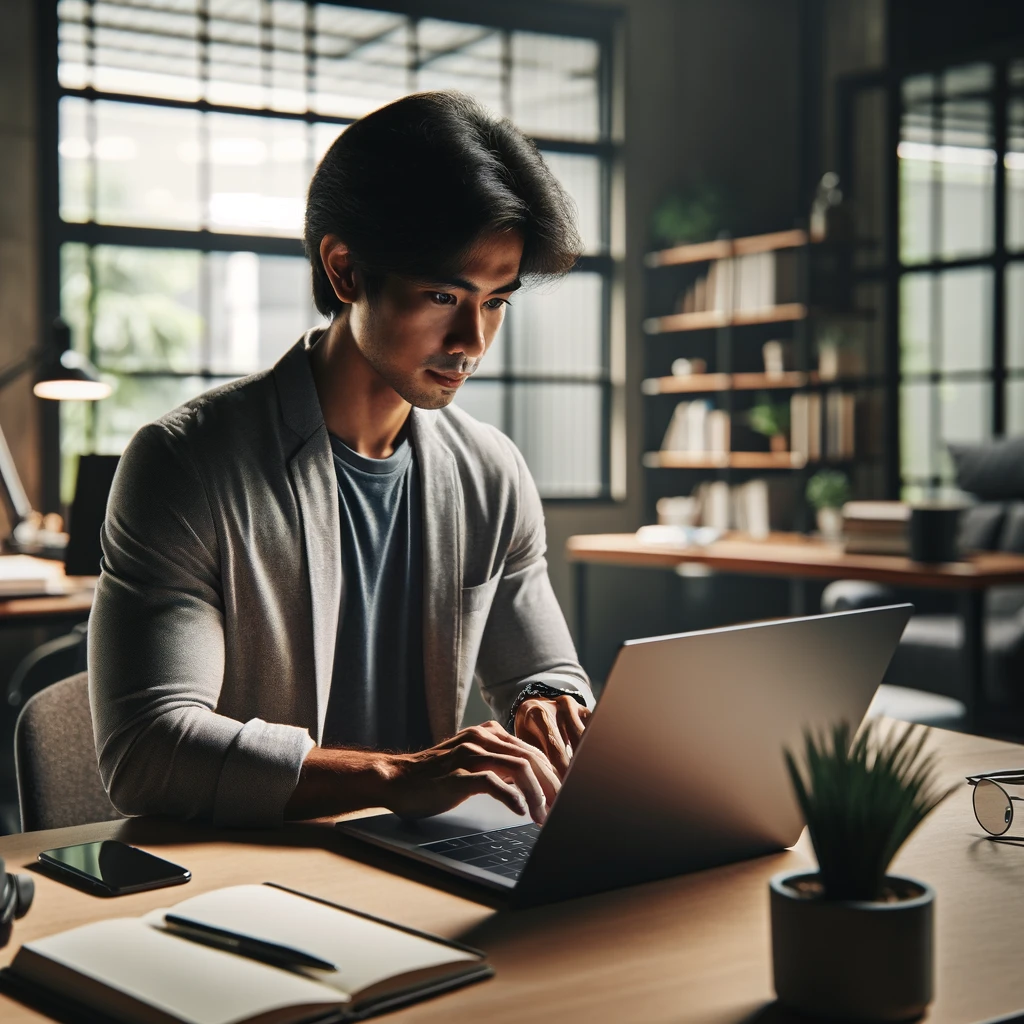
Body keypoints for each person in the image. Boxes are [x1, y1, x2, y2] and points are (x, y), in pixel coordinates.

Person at [88, 91, 595, 829]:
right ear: (346, 270)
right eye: (442, 295)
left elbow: (542, 672)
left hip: (421, 864)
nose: (472, 340)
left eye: (495, 302)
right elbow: (148, 751)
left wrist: (550, 704)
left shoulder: (492, 473)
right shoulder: (184, 464)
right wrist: (396, 775)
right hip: (245, 877)